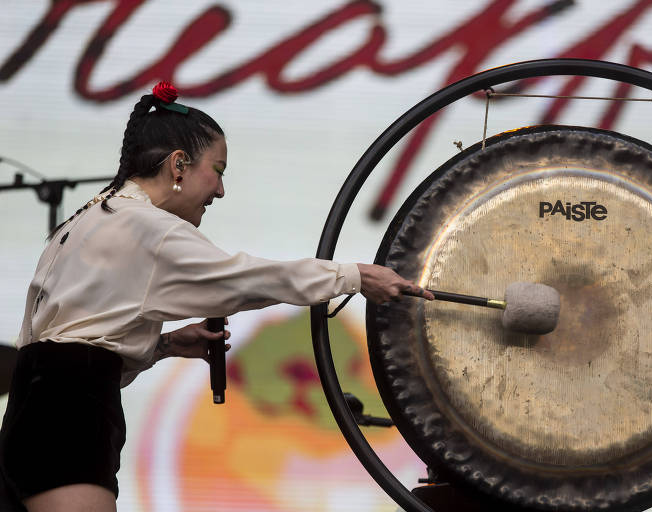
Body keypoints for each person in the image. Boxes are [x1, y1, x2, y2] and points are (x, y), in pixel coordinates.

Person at [0, 81, 433, 512]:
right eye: (219, 170)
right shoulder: (147, 227)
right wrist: (352, 275)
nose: (221, 191)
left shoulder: (82, 221)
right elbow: (245, 280)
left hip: (29, 415)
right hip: (70, 418)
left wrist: (165, 345)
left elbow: (72, 340)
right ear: (179, 166)